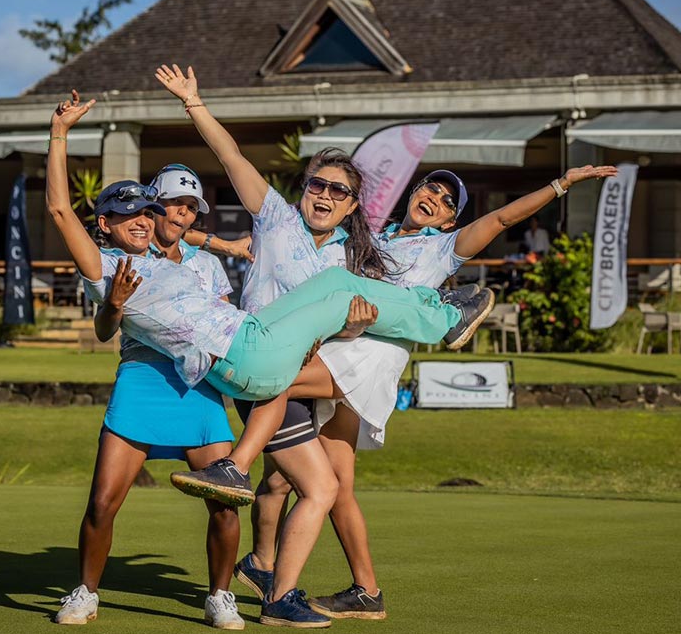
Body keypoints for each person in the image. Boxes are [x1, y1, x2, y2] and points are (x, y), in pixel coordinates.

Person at [46, 88, 490, 628]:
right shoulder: (103, 269)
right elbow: (58, 208)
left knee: (335, 286)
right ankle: (446, 318)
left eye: (146, 211)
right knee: (334, 302)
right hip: (242, 355)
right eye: (124, 214)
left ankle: (256, 570)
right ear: (104, 227)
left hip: (253, 338)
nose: (140, 219)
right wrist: (60, 134)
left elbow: (205, 245)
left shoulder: (183, 258)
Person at [242, 165, 616, 621]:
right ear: (414, 190)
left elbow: (500, 221)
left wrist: (560, 185)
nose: (435, 199)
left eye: (446, 203)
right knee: (330, 487)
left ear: (447, 222)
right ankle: (366, 591)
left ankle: (239, 486)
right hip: (342, 347)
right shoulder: (370, 237)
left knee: (272, 381)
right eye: (430, 189)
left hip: (369, 362)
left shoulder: (441, 248)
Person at [54, 164, 245, 629]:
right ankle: (86, 592)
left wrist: (219, 246)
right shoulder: (116, 258)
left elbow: (222, 325)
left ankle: (220, 595)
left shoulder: (204, 262)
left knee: (224, 501)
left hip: (196, 384)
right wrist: (114, 304)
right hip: (141, 376)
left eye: (187, 208)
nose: (178, 214)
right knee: (102, 502)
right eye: (171, 205)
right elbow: (104, 331)